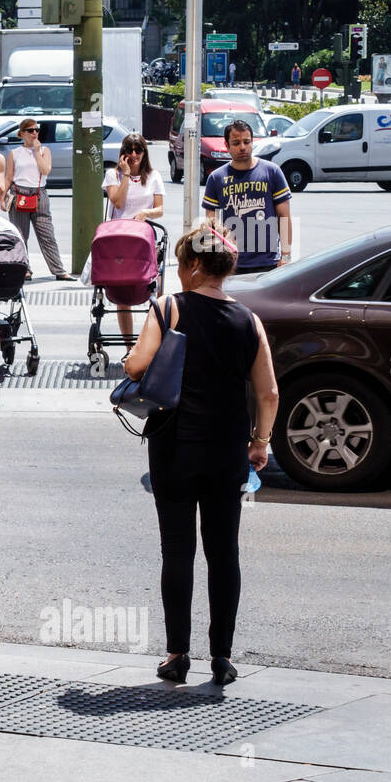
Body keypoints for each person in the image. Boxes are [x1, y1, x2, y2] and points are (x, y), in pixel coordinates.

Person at [123, 224, 278, 687]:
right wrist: (260, 442)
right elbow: (268, 393)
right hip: (227, 450)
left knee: (177, 550)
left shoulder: (169, 307)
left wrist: (139, 359)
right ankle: (222, 658)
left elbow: (136, 364)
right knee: (223, 551)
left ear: (193, 265)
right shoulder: (249, 320)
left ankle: (177, 655)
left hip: (174, 446)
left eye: (179, 263)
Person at [202, 119, 292, 274]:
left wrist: (286, 256)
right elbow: (211, 225)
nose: (242, 147)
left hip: (268, 263)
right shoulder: (216, 178)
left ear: (252, 142)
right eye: (236, 143)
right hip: (231, 264)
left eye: (246, 141)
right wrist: (215, 260)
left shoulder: (272, 172)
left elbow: (284, 217)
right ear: (227, 145)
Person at [103, 132, 165, 337]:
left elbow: (160, 209)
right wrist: (126, 175)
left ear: (144, 152)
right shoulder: (113, 175)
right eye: (129, 150)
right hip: (120, 235)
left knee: (153, 287)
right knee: (122, 288)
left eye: (138, 150)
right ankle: (129, 343)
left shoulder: (154, 176)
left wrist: (146, 212)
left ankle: (150, 338)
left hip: (143, 234)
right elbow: (118, 202)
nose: (134, 154)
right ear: (123, 153)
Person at [3, 117, 72, 280]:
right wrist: (2, 197)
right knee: (20, 234)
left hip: (39, 193)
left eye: (36, 130)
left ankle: (59, 269)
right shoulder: (14, 153)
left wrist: (36, 151)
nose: (34, 133)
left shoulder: (44, 150)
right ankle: (24, 269)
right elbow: (9, 177)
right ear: (22, 134)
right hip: (18, 192)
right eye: (30, 130)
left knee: (47, 233)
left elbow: (45, 170)